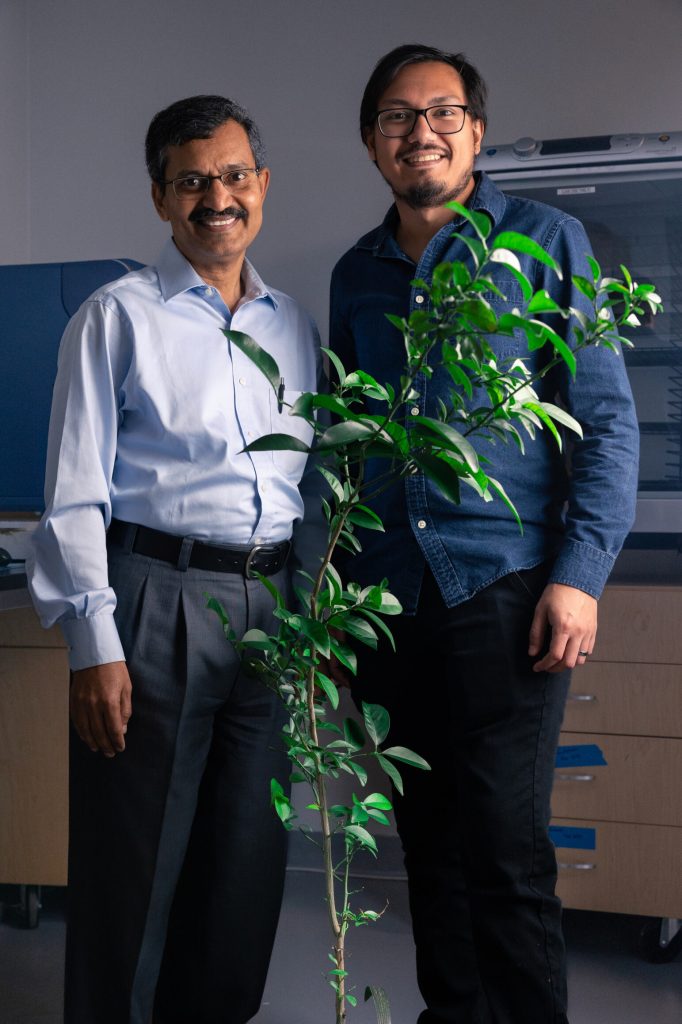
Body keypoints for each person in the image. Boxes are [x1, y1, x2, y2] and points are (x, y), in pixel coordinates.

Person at [329, 45, 639, 1024]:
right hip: (389, 599)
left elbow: (605, 421)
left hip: (503, 588)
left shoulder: (545, 241)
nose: (420, 130)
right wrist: (338, 597)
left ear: (475, 130)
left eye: (442, 111)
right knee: (427, 839)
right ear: (372, 139)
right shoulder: (356, 273)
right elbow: (351, 449)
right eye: (396, 115)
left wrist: (579, 574)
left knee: (504, 846)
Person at [27, 94, 322, 1024]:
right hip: (155, 598)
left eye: (234, 176)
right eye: (191, 181)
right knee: (134, 867)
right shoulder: (117, 318)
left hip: (271, 607)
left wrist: (312, 620)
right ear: (160, 198)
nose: (216, 197)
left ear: (262, 187)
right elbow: (74, 491)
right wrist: (94, 644)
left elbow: (307, 487)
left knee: (244, 866)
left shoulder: (293, 325)